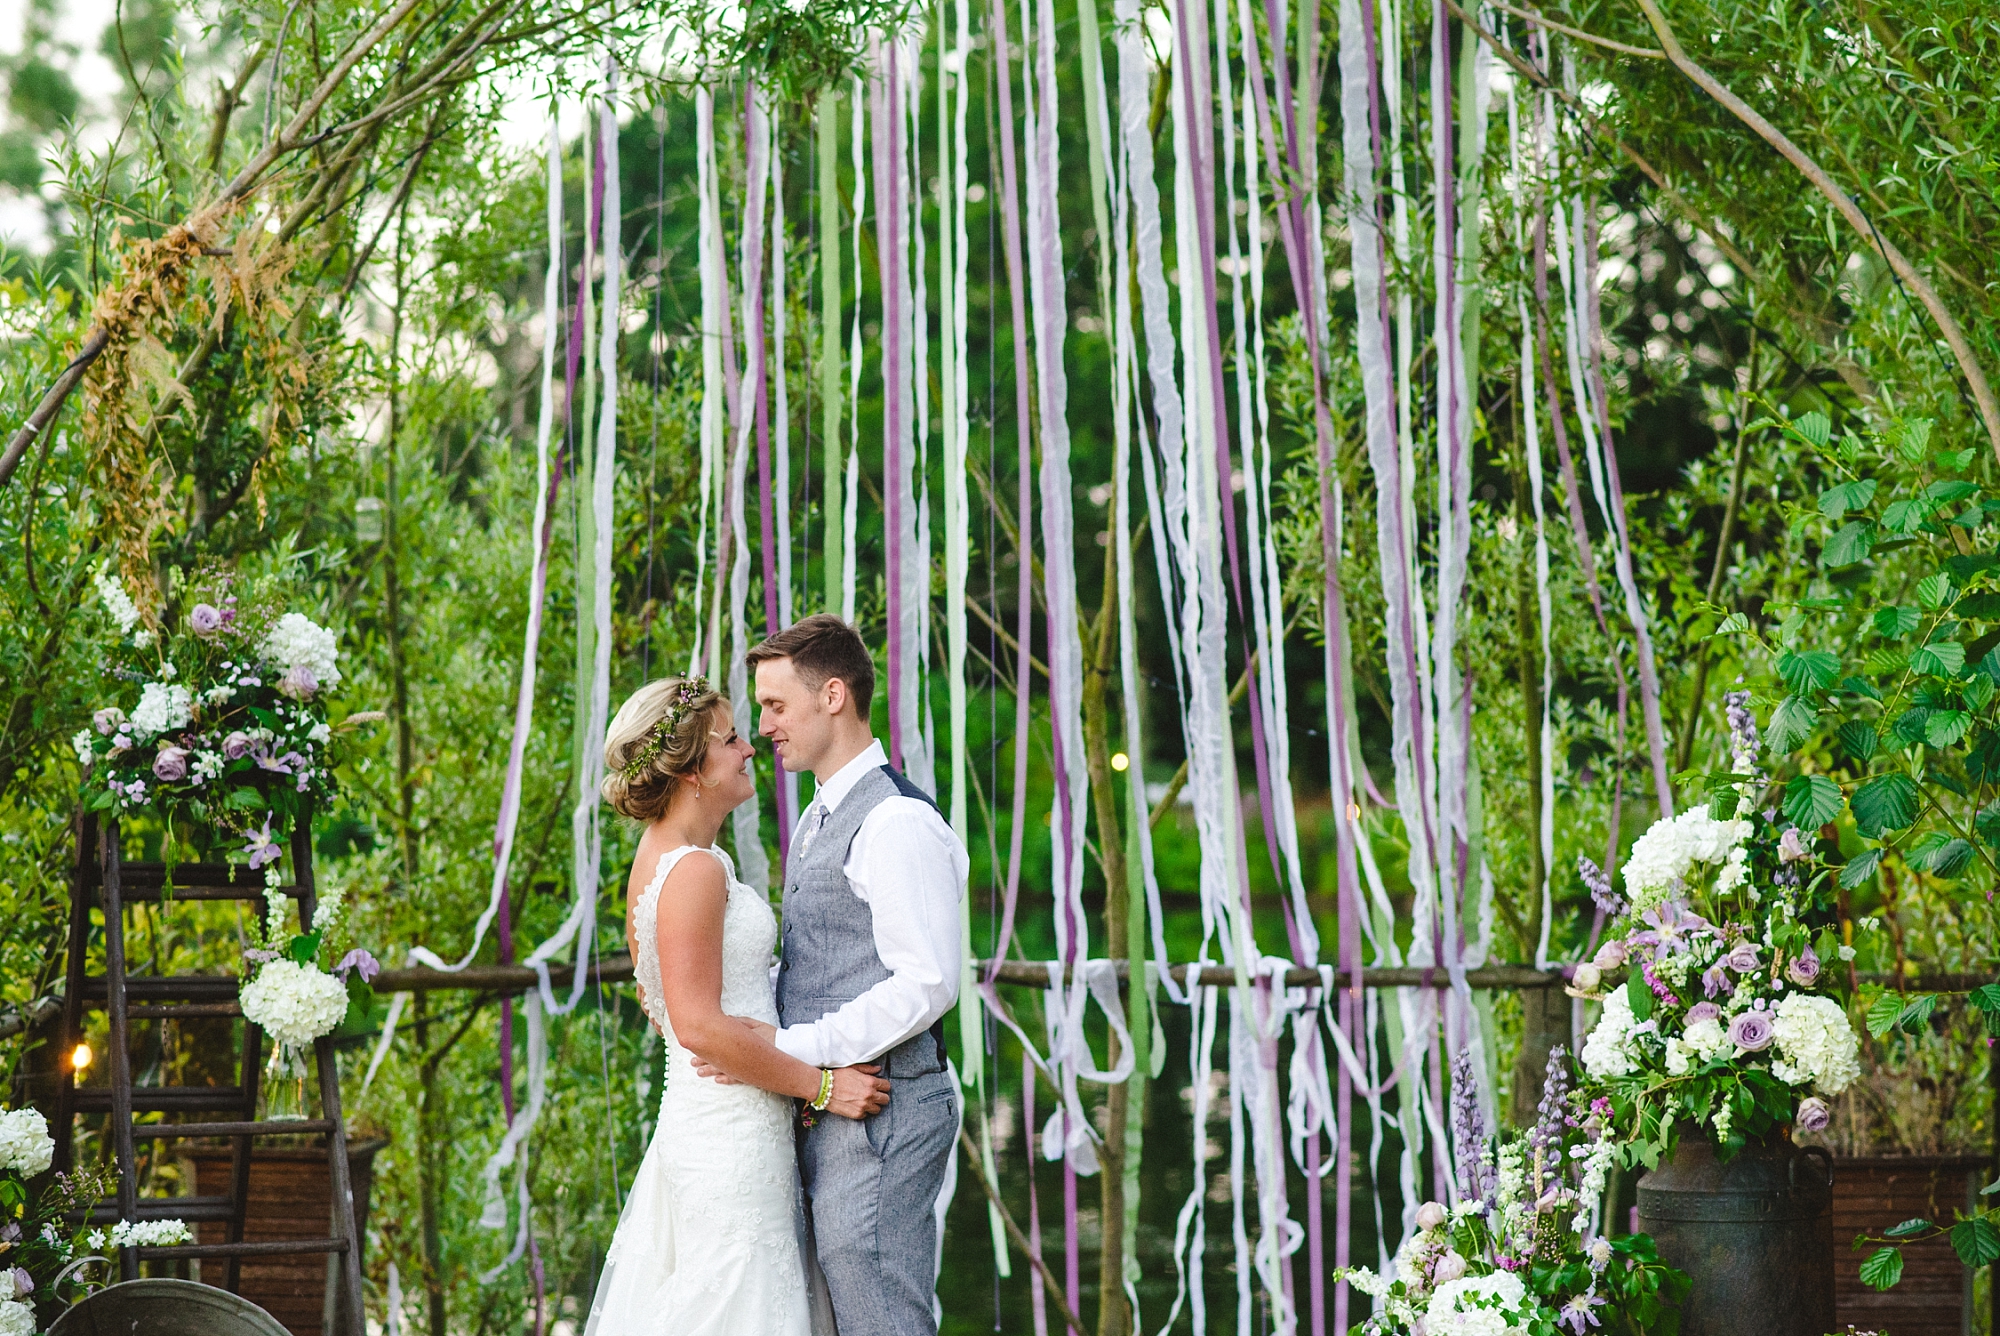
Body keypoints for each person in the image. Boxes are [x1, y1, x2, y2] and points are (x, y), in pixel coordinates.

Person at [582, 674, 882, 1336]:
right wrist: (822, 1085)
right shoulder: (695, 869)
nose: (750, 750)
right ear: (692, 769)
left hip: (710, 1118)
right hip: (730, 1135)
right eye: (732, 738)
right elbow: (693, 1024)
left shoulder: (666, 858)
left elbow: (656, 998)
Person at [701, 613, 967, 1336]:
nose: (764, 726)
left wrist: (799, 1045)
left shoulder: (895, 824)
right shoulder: (826, 811)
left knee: (882, 1314)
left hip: (885, 1105)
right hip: (839, 1107)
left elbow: (929, 981)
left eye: (776, 705)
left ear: (834, 696)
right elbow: (831, 952)